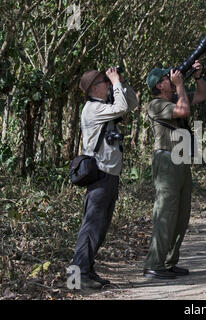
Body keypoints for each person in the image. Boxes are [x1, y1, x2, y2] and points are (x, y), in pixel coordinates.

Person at [72, 67, 139, 289]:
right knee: (90, 227)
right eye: (105, 81)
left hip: (109, 174)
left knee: (99, 228)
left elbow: (131, 104)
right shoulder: (93, 109)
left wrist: (122, 81)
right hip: (99, 174)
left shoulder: (103, 106)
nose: (109, 84)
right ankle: (76, 279)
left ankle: (87, 272)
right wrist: (116, 82)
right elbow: (121, 106)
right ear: (93, 88)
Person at [143, 61, 206, 279]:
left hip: (181, 161)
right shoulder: (155, 105)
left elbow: (202, 95)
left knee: (181, 215)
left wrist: (197, 76)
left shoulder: (174, 98)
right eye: (166, 78)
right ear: (159, 86)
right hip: (166, 161)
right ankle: (154, 263)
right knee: (166, 213)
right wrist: (180, 85)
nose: (170, 79)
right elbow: (183, 110)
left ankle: (169, 261)